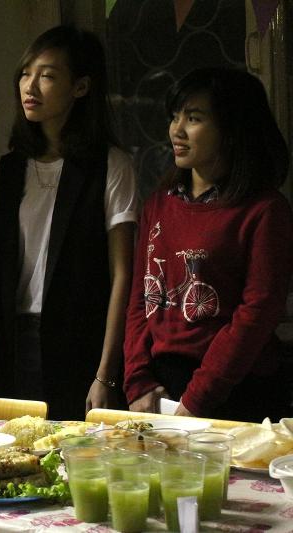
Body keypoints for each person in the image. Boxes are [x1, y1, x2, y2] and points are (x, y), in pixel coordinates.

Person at [0, 25, 138, 421]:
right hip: (15, 342)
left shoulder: (109, 165)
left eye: (48, 75)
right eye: (25, 73)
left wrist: (105, 374)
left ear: (81, 87)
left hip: (80, 342)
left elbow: (122, 275)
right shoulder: (8, 169)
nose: (30, 85)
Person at [124, 68, 293, 422]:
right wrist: (137, 381)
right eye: (175, 117)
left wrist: (198, 397)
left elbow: (257, 313)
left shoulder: (264, 210)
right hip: (161, 386)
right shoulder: (158, 204)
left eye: (194, 118)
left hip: (236, 390)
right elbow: (141, 298)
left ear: (231, 129)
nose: (176, 130)